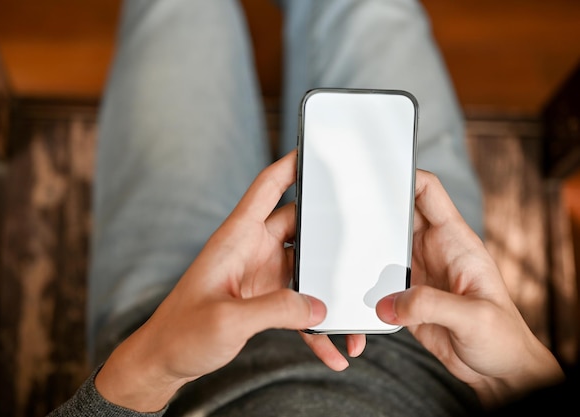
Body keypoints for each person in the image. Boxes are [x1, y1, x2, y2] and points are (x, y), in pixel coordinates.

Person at [48, 0, 567, 415]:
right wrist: (517, 369)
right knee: (368, 9)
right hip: (429, 331)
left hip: (168, 319)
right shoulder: (478, 350)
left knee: (174, 8)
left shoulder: (162, 347)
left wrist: (155, 365)